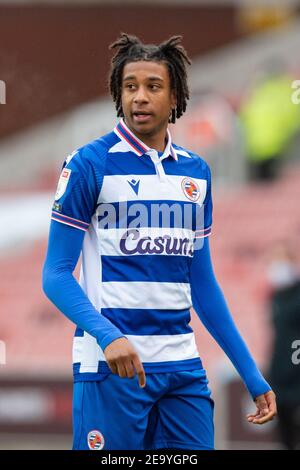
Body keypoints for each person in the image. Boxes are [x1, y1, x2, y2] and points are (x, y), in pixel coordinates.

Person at [42, 33, 276, 451]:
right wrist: (106, 335)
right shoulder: (88, 164)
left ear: (175, 97)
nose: (140, 97)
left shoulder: (196, 172)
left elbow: (202, 285)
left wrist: (251, 374)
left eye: (153, 86)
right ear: (119, 93)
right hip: (112, 367)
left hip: (182, 368)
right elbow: (55, 274)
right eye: (130, 86)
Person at [267, 241, 300, 449]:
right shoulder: (276, 296)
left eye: (281, 260)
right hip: (280, 376)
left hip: (297, 374)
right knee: (285, 437)